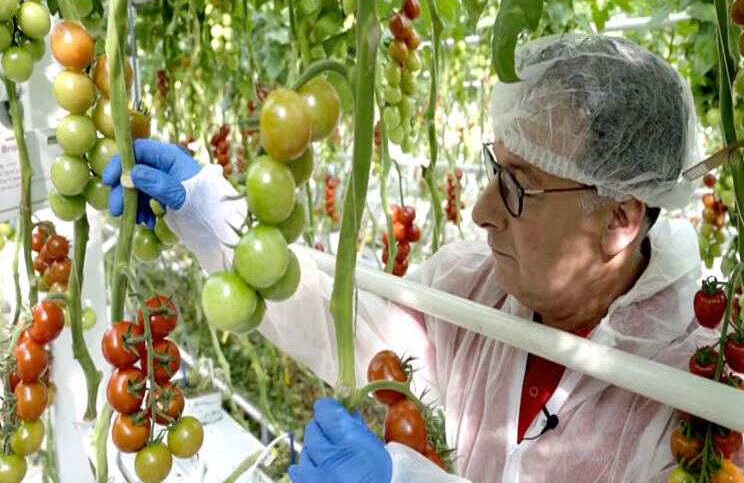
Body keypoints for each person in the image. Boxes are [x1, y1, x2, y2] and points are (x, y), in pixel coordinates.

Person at [103, 34, 730, 482]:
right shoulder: (476, 288)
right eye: (494, 169)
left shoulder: (704, 400)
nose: (481, 210)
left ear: (619, 220)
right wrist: (213, 215)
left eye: (518, 183)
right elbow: (344, 323)